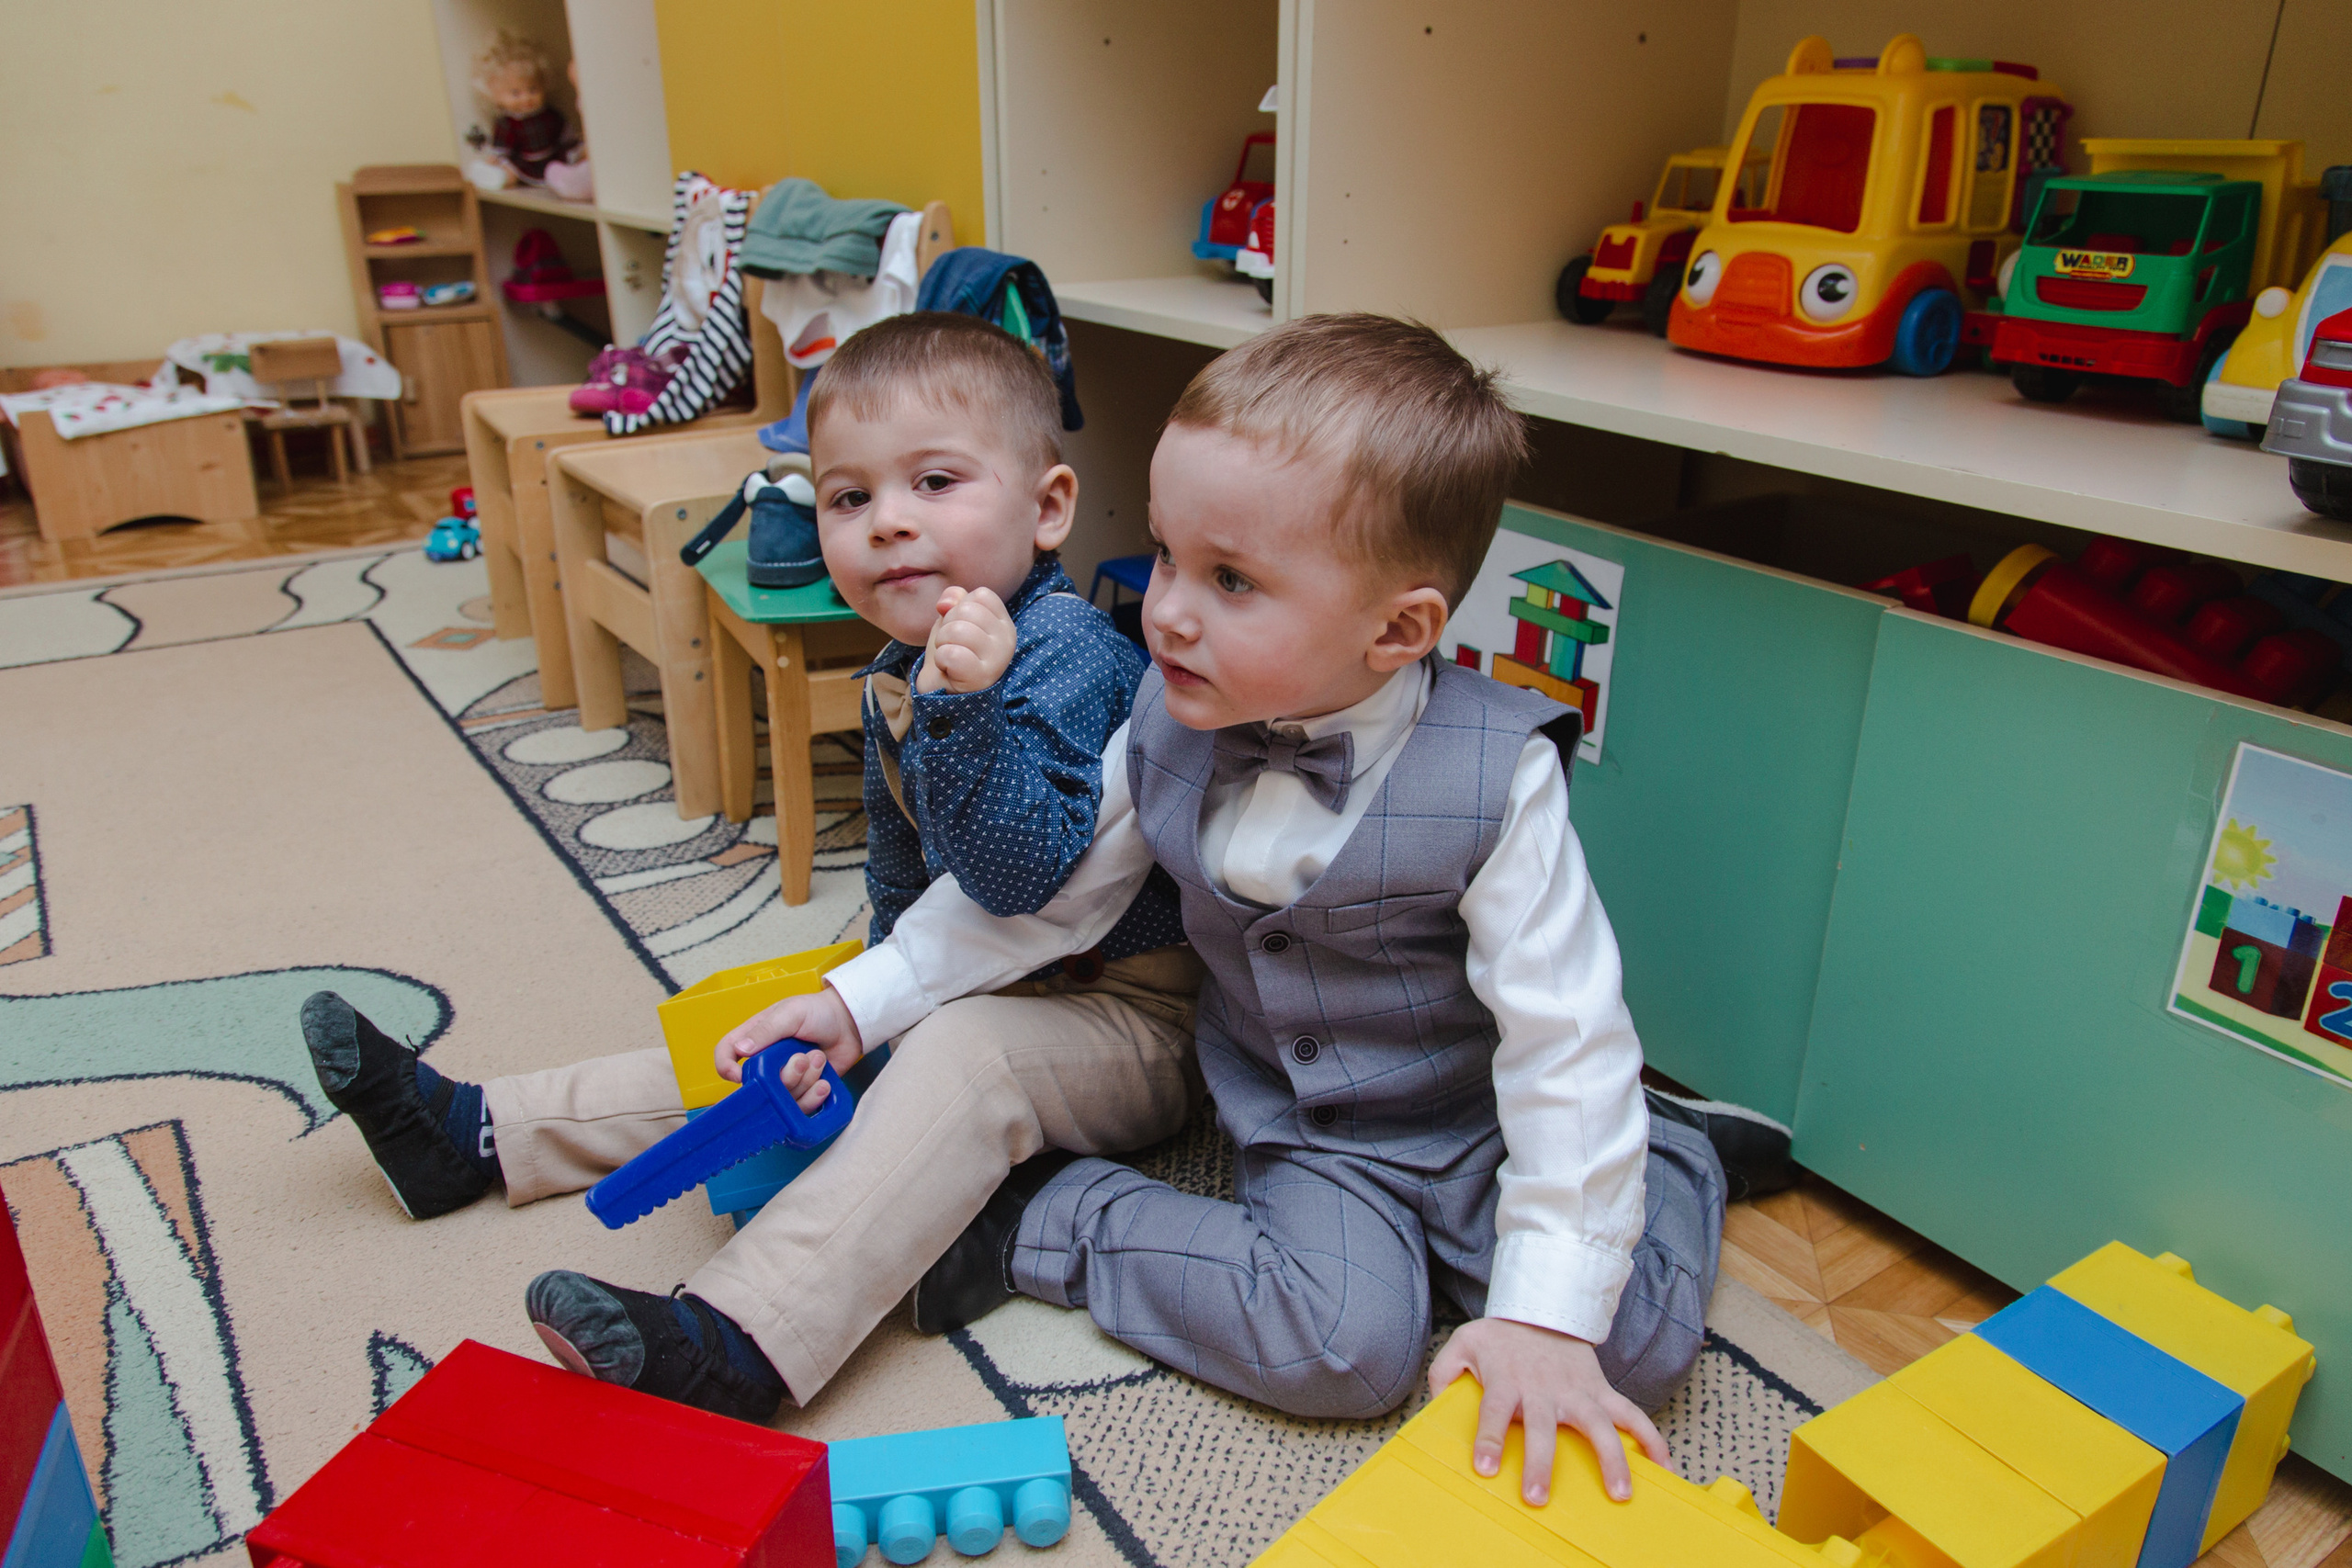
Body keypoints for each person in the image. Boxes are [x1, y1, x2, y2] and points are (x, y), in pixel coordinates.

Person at [731, 313, 1795, 1506]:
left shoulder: (1501, 777)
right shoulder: (1164, 719)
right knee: (1342, 1345)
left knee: (1622, 1340)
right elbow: (1047, 910)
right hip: (1308, 1123)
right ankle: (1039, 1219)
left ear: (1397, 629)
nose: (1170, 609)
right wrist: (855, 1000)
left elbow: (1565, 1047)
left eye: (1231, 580)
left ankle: (1678, 1149)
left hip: (1482, 1108)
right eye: (1171, 556)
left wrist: (1547, 1317)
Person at [300, 311, 1195, 1420]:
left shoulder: (1070, 654)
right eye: (849, 499)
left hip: (1132, 1018)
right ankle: (479, 1133)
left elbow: (1026, 883)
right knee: (781, 1023)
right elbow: (905, 874)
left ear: (1048, 507)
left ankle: (740, 1341)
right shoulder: (900, 668)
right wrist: (854, 997)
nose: (889, 526)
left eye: (934, 482)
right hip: (988, 967)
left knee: (962, 1050)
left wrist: (962, 718)